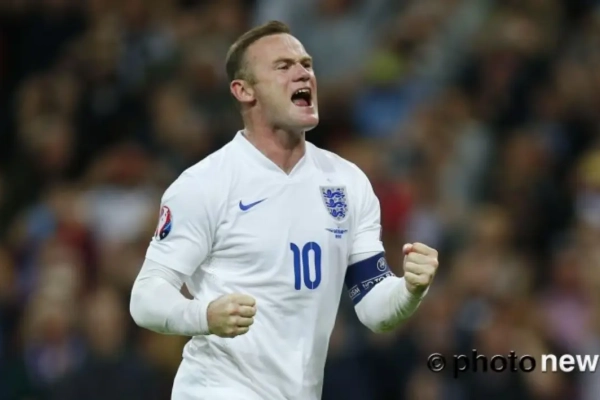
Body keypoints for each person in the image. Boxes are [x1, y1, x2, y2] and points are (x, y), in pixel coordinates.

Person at [129, 20, 439, 400]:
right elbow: (146, 297)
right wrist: (204, 316)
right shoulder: (205, 184)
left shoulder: (347, 183)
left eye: (306, 64)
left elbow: (374, 308)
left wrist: (409, 290)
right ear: (244, 91)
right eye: (283, 66)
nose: (302, 73)